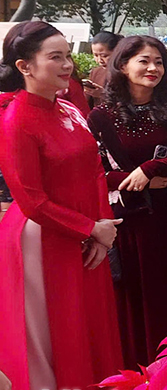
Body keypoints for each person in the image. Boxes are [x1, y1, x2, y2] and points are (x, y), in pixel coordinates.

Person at [0, 22, 123, 390]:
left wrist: (104, 226)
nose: (67, 65)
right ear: (25, 66)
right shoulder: (15, 120)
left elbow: (94, 170)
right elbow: (30, 198)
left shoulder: (69, 108)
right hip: (44, 239)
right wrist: (90, 229)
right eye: (55, 57)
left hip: (89, 232)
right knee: (57, 331)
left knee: (91, 322)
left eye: (67, 55)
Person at [87, 35, 167, 369]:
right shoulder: (102, 117)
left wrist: (152, 168)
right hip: (128, 225)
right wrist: (135, 180)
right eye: (144, 61)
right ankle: (137, 370)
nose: (153, 68)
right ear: (122, 66)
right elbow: (94, 170)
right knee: (136, 301)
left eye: (159, 62)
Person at [83, 30, 121, 105]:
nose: (99, 60)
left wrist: (103, 94)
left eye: (104, 56)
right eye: (96, 55)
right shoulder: (96, 72)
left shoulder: (125, 72)